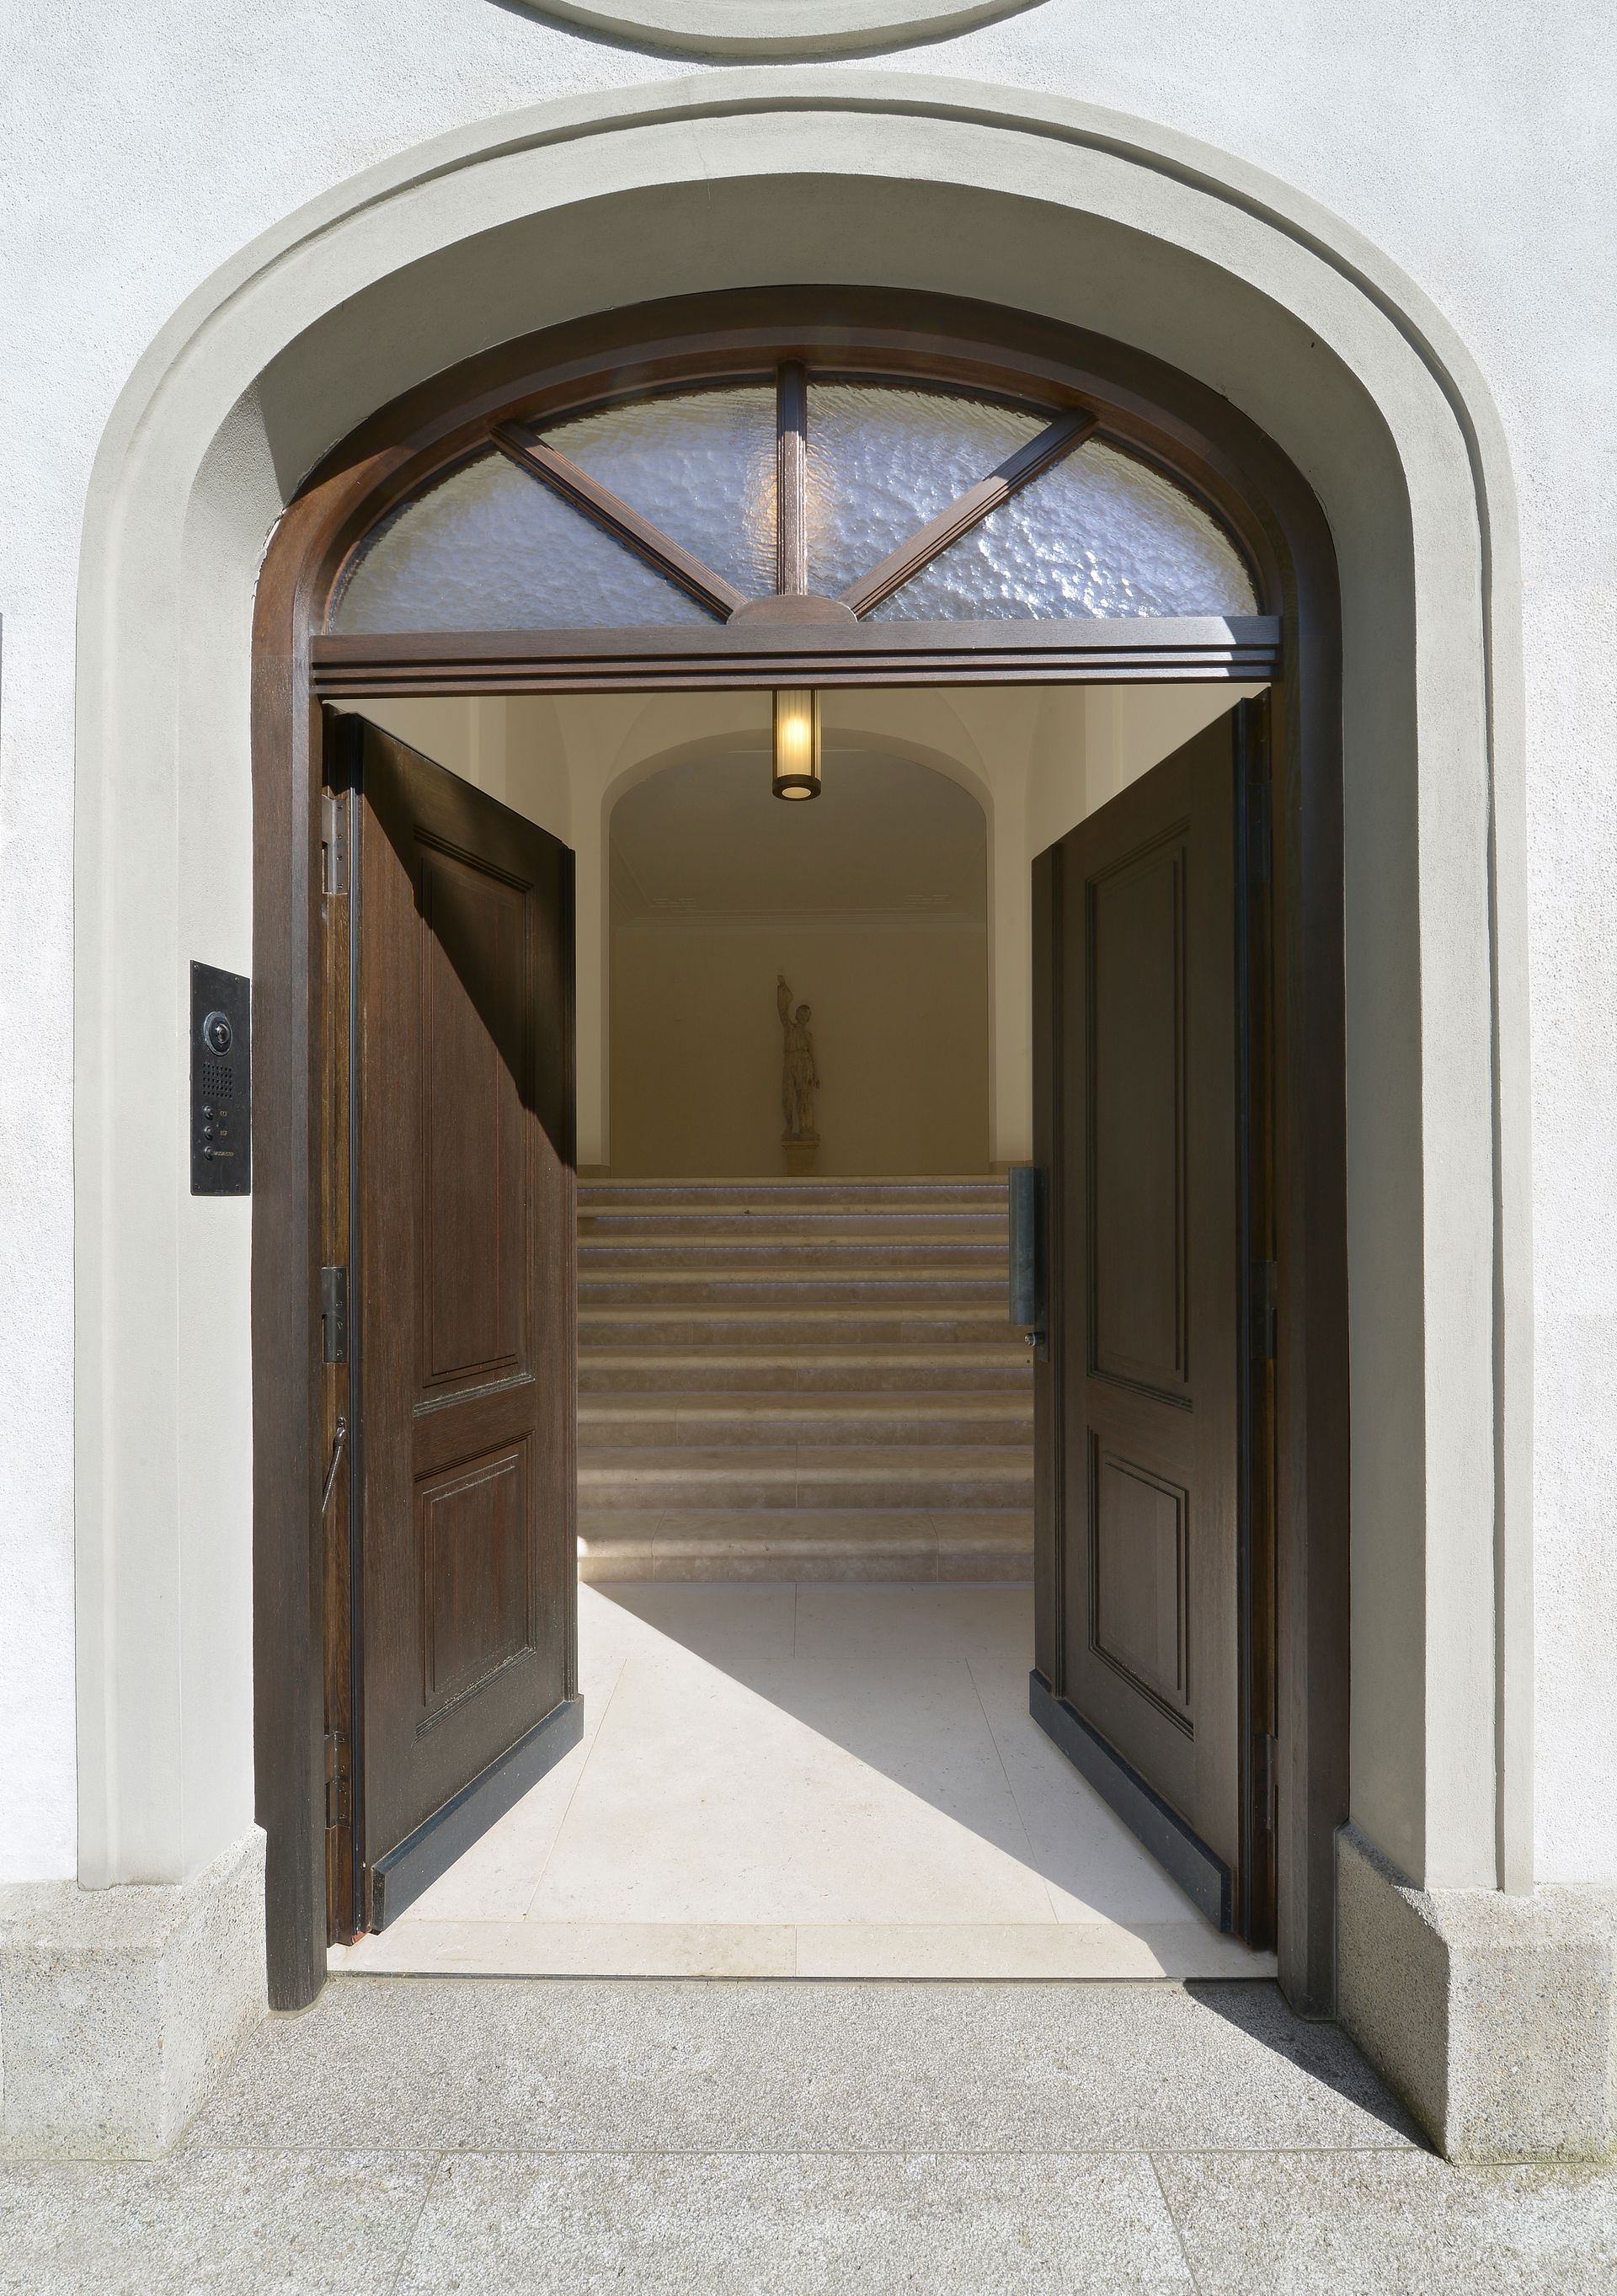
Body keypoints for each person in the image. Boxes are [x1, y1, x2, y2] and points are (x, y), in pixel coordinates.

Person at [776, 973, 819, 1139]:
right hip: (790, 1061)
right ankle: (789, 1126)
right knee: (787, 1095)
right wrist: (782, 988)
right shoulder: (789, 1028)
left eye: (807, 1014)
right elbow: (782, 1012)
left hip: (804, 1064)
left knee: (804, 1096)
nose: (804, 1016)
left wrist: (815, 1075)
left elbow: (812, 1054)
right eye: (802, 1013)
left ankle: (805, 1128)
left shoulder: (808, 1036)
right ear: (797, 1015)